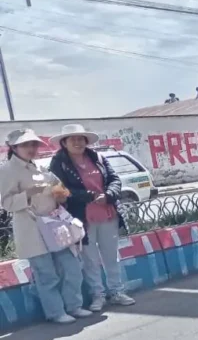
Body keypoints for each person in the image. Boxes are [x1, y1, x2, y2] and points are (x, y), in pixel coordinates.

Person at [0, 129, 89, 324]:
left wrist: (61, 195)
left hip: (54, 224)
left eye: (33, 144)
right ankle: (56, 312)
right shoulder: (7, 170)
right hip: (31, 228)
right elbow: (6, 203)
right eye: (25, 145)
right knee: (46, 274)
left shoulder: (39, 168)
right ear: (14, 148)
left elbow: (58, 189)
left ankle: (74, 306)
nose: (31, 148)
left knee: (72, 267)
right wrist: (28, 194)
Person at [49, 124, 135, 311]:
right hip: (81, 218)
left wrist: (109, 195)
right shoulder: (59, 163)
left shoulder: (98, 158)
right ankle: (98, 295)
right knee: (90, 258)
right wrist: (88, 195)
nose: (77, 142)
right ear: (64, 142)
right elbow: (58, 189)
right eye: (73, 139)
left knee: (111, 255)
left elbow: (114, 179)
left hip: (106, 213)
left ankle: (116, 291)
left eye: (81, 139)